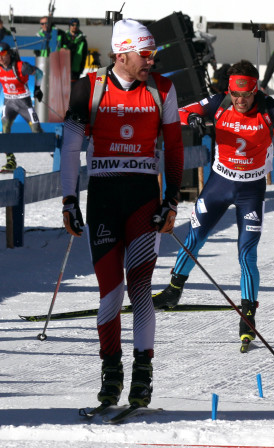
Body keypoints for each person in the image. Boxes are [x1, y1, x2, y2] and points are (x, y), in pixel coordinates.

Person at [152, 60, 274, 352]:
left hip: (250, 190)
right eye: (236, 95)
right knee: (194, 237)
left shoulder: (270, 107)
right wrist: (191, 117)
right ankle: (173, 290)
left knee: (246, 253)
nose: (241, 101)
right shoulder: (219, 101)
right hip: (219, 184)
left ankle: (248, 314)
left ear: (256, 89)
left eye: (247, 95)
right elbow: (179, 112)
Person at [60, 19, 184, 409]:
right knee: (110, 292)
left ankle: (143, 375)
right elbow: (69, 149)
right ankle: (111, 373)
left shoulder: (162, 88)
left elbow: (176, 147)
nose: (151, 61)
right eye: (145, 55)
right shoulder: (89, 88)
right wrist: (68, 200)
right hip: (103, 197)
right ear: (122, 53)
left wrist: (172, 200)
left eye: (153, 54)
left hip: (144, 198)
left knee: (141, 287)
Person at [0, 41, 43, 173]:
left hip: (24, 103)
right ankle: (10, 160)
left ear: (10, 54)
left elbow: (39, 73)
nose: (1, 58)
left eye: (3, 54)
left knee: (36, 130)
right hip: (9, 103)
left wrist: (37, 89)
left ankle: (57, 156)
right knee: (5, 128)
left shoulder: (21, 66)